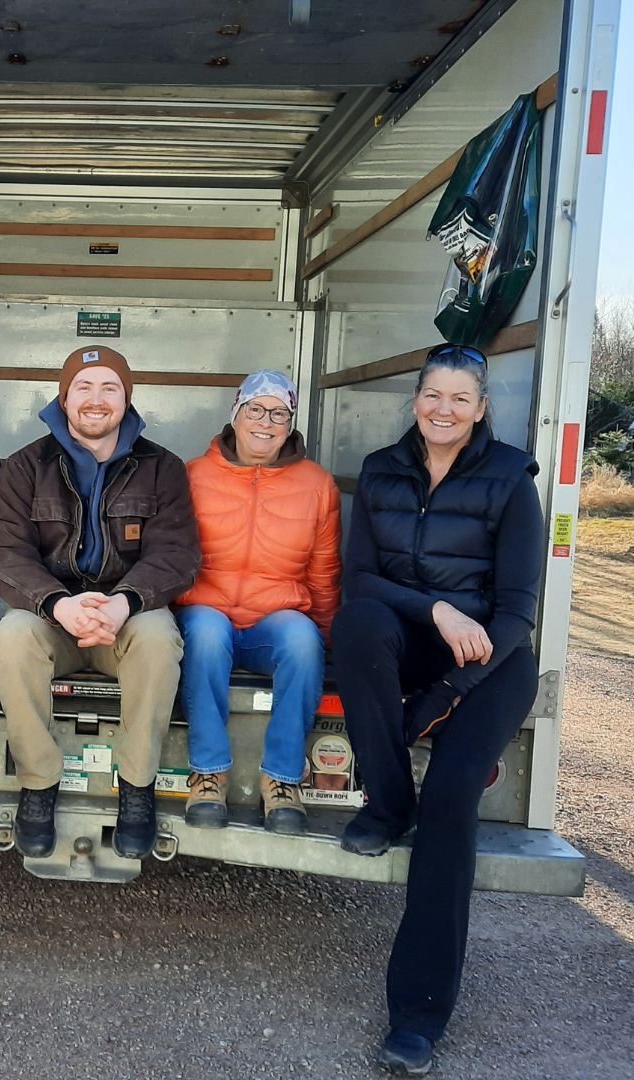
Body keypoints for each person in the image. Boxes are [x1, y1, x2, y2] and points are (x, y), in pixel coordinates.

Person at [330, 344, 543, 1076]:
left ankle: (418, 1014)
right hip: (422, 634)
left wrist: (444, 696)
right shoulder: (384, 470)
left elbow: (518, 613)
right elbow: (360, 580)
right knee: (355, 627)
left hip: (493, 662)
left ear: (481, 408)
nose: (443, 410)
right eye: (432, 396)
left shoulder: (512, 479)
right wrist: (441, 610)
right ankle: (388, 802)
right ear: (415, 399)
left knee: (452, 798)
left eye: (460, 399)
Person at [0, 346, 200, 860]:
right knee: (10, 638)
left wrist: (123, 604)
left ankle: (138, 787)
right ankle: (38, 783)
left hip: (126, 617)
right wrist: (58, 604)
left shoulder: (161, 467)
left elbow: (176, 553)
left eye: (110, 388)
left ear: (127, 399)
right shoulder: (25, 465)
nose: (96, 400)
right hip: (53, 616)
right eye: (84, 386)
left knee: (159, 637)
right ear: (64, 395)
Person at [174, 371, 341, 833]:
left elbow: (323, 572)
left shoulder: (318, 485)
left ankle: (282, 781)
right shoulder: (193, 475)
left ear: (290, 422)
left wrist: (326, 641)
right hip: (206, 612)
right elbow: (167, 556)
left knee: (303, 641)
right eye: (255, 409)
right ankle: (208, 774)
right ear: (236, 414)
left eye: (278, 413)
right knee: (206, 634)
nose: (265, 422)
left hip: (273, 620)